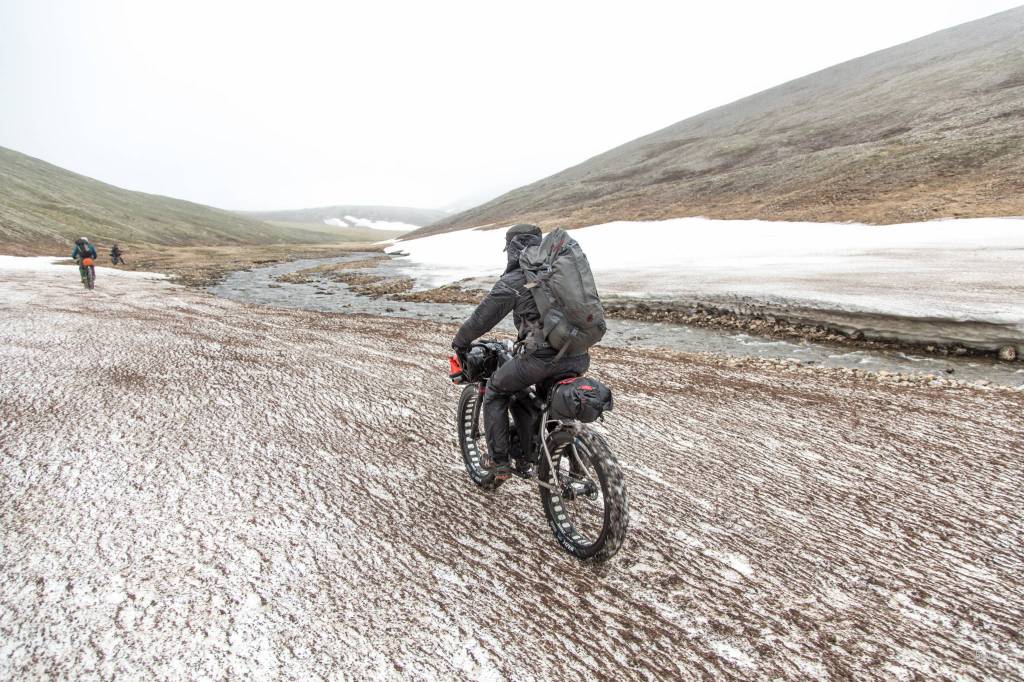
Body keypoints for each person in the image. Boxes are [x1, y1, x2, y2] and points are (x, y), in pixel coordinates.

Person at [452, 224, 591, 483]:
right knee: (547, 399)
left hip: (542, 358)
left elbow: (482, 318)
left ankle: (499, 461)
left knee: (495, 389)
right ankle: (572, 459)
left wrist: (460, 342)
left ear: (512, 249)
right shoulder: (560, 270)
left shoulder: (516, 280)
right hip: (578, 354)